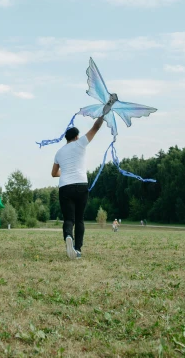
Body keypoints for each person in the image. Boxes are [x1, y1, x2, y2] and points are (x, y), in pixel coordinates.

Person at [51, 111, 108, 260]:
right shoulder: (81, 143)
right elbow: (95, 127)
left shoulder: (59, 152)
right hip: (81, 185)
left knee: (69, 219)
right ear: (76, 137)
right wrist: (104, 113)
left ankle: (69, 236)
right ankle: (78, 249)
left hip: (65, 187)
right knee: (80, 219)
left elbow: (54, 173)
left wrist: (65, 172)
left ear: (66, 138)